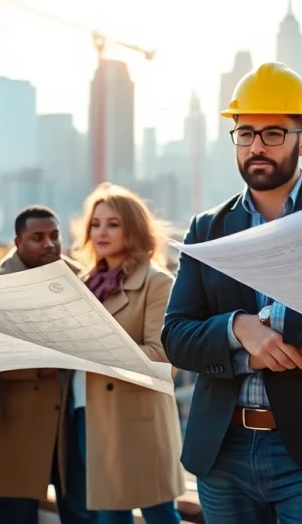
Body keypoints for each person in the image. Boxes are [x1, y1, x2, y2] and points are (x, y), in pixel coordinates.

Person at [162, 61, 302, 523]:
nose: (256, 147)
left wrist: (272, 323)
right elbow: (176, 337)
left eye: (272, 134)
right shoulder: (208, 229)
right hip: (222, 452)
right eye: (245, 133)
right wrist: (238, 330)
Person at [70, 183, 184, 524]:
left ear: (132, 229)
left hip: (135, 417)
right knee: (108, 513)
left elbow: (163, 359)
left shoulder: (157, 282)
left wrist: (96, 347)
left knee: (158, 512)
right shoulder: (82, 282)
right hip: (85, 410)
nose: (101, 232)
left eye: (113, 223)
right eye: (96, 223)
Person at [0, 205, 95, 524]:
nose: (49, 244)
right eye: (38, 237)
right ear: (18, 243)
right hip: (20, 415)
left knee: (80, 509)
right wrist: (39, 364)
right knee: (15, 511)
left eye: (54, 235)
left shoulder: (78, 278)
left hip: (70, 414)